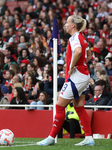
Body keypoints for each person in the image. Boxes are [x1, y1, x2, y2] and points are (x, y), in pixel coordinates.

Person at [37, 15, 95, 146]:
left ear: (73, 25)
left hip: (76, 77)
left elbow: (79, 51)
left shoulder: (74, 38)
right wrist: (82, 65)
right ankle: (89, 138)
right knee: (79, 107)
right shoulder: (81, 37)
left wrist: (73, 66)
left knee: (59, 105)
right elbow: (89, 54)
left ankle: (51, 138)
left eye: (67, 22)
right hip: (83, 76)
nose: (65, 25)